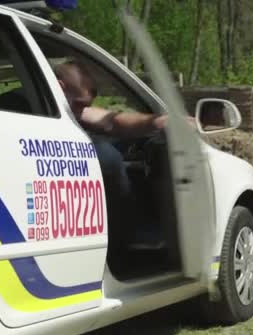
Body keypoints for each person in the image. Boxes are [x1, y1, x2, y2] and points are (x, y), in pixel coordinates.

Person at [54, 60, 183, 249]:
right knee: (108, 158)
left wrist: (158, 122)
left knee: (118, 146)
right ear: (60, 87)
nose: (81, 110)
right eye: (80, 104)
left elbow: (110, 122)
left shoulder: (61, 103)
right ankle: (126, 236)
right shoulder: (24, 106)